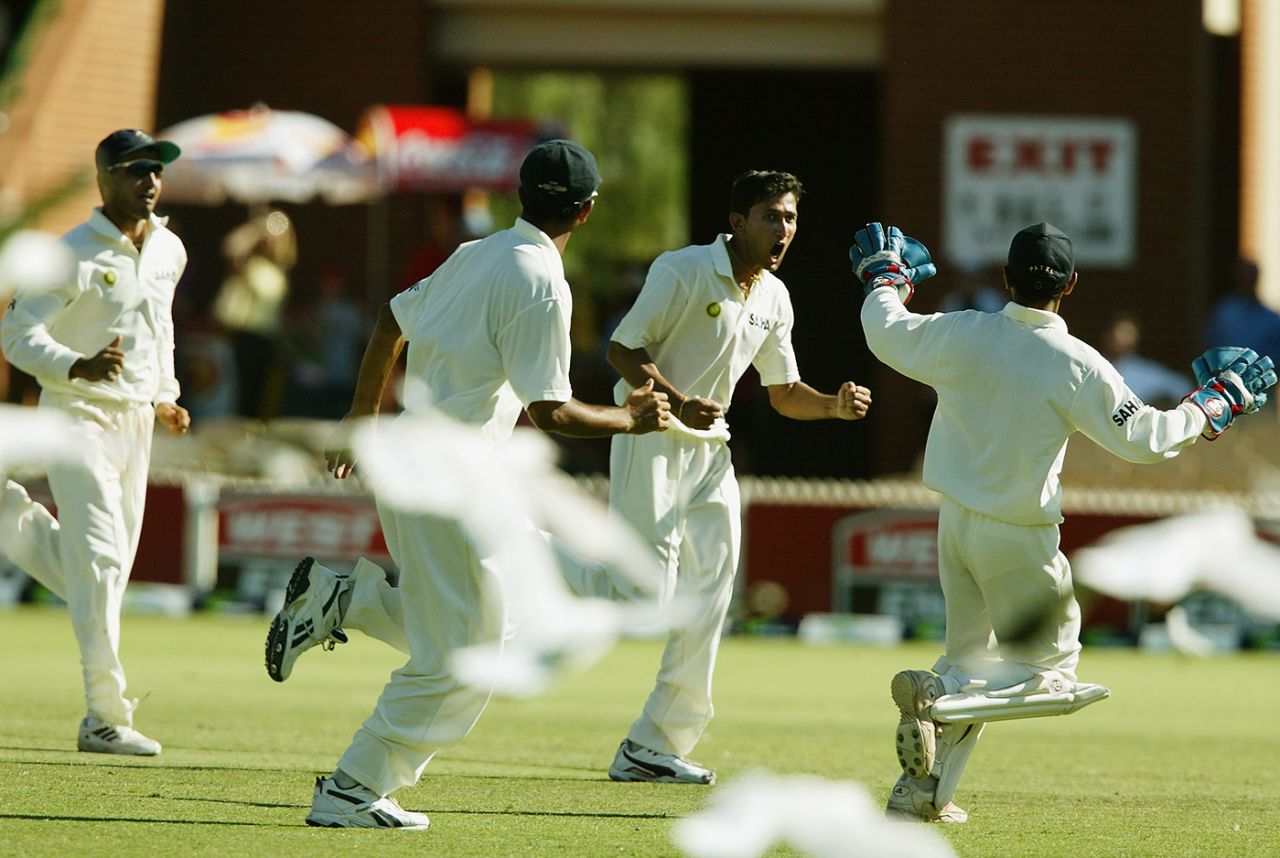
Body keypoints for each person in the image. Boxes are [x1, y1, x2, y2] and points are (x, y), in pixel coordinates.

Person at [265, 139, 671, 830]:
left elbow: (391, 319)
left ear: (520, 194)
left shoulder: (473, 253)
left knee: (489, 631)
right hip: (454, 484)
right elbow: (552, 410)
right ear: (588, 210)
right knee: (473, 656)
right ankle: (352, 787)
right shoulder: (541, 280)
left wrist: (363, 412)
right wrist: (631, 419)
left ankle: (346, 599)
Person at [853, 221, 1276, 823]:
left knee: (974, 664)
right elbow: (1147, 439)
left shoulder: (961, 332)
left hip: (955, 528)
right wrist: (1215, 403)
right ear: (1072, 284)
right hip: (1018, 537)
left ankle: (919, 793)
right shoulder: (1076, 363)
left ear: (1006, 277)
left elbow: (884, 329)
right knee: (1052, 675)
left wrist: (886, 281)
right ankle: (940, 697)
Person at [601, 170, 873, 785]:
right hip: (652, 438)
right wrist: (677, 398)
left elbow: (782, 392)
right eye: (772, 216)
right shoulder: (683, 268)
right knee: (644, 594)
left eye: (792, 218)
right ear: (737, 222)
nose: (784, 229)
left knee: (713, 592)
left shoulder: (774, 296)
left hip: (710, 455)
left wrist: (831, 404)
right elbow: (622, 349)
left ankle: (655, 743)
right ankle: (531, 570)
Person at [0, 128, 191, 755]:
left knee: (103, 570)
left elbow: (157, 328)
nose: (150, 181)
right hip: (76, 416)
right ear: (105, 179)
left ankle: (9, 524)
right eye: (136, 171)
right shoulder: (71, 253)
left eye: (156, 170)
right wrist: (73, 364)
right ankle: (104, 716)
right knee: (104, 563)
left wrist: (166, 394)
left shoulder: (169, 249)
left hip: (136, 421)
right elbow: (17, 335)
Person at [1102, 311, 1191, 409]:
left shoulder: (1144, 371)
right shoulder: (1098, 366)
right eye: (1117, 332)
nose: (1119, 338)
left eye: (1127, 333)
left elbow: (1181, 386)